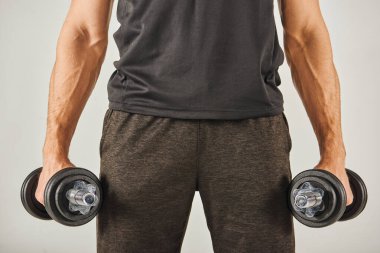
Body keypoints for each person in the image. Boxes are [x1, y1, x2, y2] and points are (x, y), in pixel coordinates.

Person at [34, 0, 354, 252]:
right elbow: (84, 34)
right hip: (141, 129)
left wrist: (333, 153)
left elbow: (306, 34)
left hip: (252, 132)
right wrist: (54, 153)